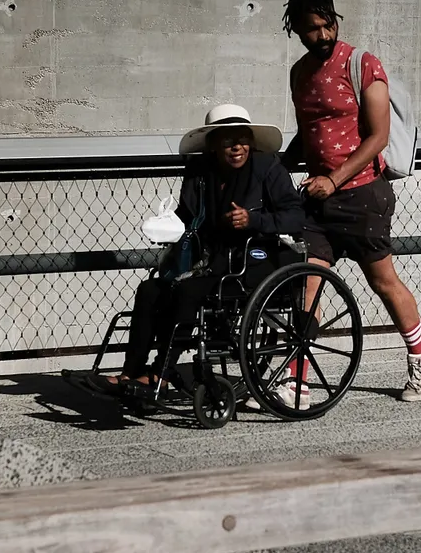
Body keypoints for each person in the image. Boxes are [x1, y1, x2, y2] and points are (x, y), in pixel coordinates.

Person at [270, 0, 421, 407]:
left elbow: (378, 136)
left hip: (363, 194)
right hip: (317, 200)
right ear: (296, 30)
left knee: (382, 282)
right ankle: (298, 382)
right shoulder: (299, 74)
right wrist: (271, 164)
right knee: (305, 285)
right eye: (312, 29)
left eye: (328, 24)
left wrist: (335, 178)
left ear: (335, 20)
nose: (323, 34)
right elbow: (310, 137)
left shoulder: (361, 64)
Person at [92, 104, 305, 394]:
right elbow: (188, 216)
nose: (236, 147)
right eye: (227, 141)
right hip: (210, 261)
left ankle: (162, 373)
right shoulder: (201, 172)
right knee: (149, 290)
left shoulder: (268, 168)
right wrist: (165, 224)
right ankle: (132, 371)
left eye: (242, 139)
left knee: (187, 293)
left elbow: (295, 216)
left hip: (254, 263)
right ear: (214, 145)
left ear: (251, 142)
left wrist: (253, 219)